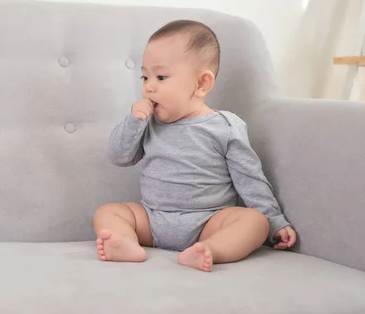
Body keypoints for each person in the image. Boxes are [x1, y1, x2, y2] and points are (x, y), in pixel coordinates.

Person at [93, 20, 296, 272]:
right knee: (109, 212)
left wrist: (274, 221)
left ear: (201, 84)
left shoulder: (225, 127)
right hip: (153, 218)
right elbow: (118, 156)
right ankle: (125, 243)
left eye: (161, 77)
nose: (149, 86)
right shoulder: (148, 123)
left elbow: (250, 179)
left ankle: (210, 249)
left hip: (207, 222)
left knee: (254, 222)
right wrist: (133, 121)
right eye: (145, 77)